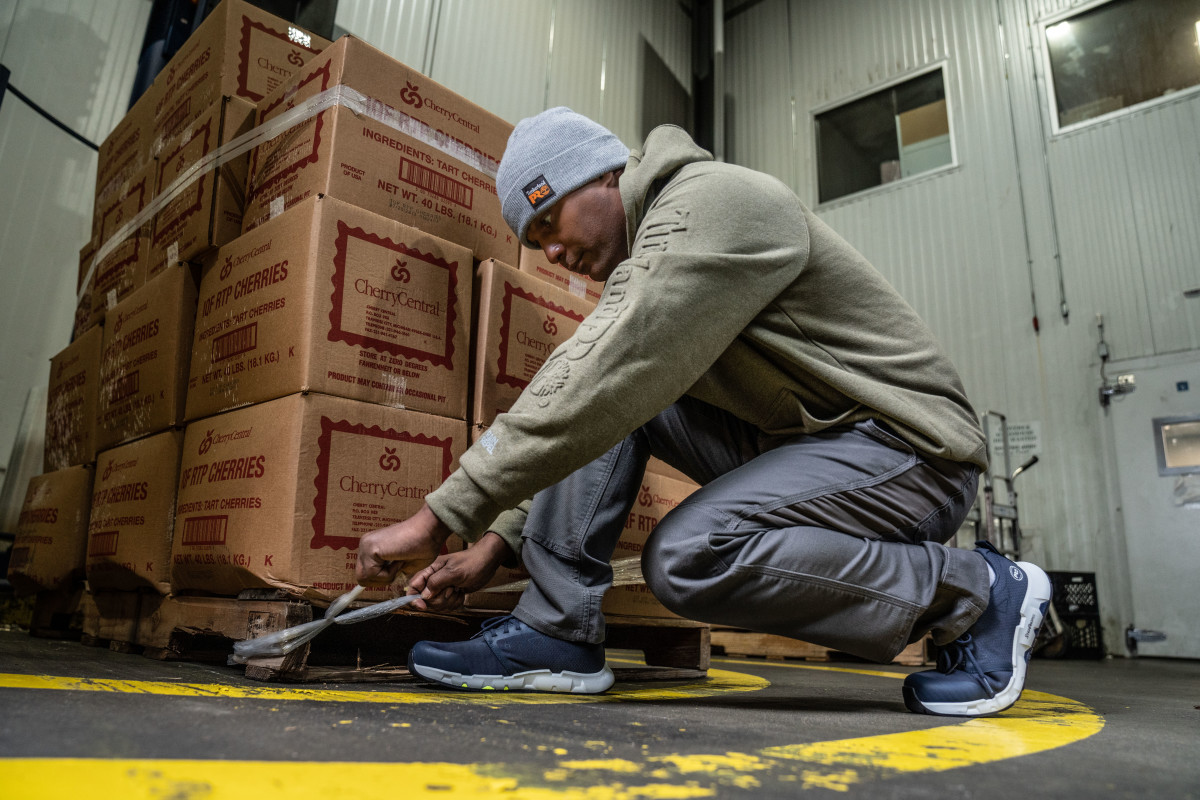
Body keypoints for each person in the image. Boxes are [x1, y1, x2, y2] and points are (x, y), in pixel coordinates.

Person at [356, 107, 1052, 716]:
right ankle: (556, 630)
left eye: (550, 222)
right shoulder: (656, 259)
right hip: (817, 448)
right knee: (613, 394)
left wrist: (440, 517)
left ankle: (979, 592)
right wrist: (495, 544)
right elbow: (599, 394)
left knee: (691, 554)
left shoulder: (714, 202)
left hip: (911, 454)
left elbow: (608, 364)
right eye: (537, 245)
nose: (556, 253)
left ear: (603, 175)